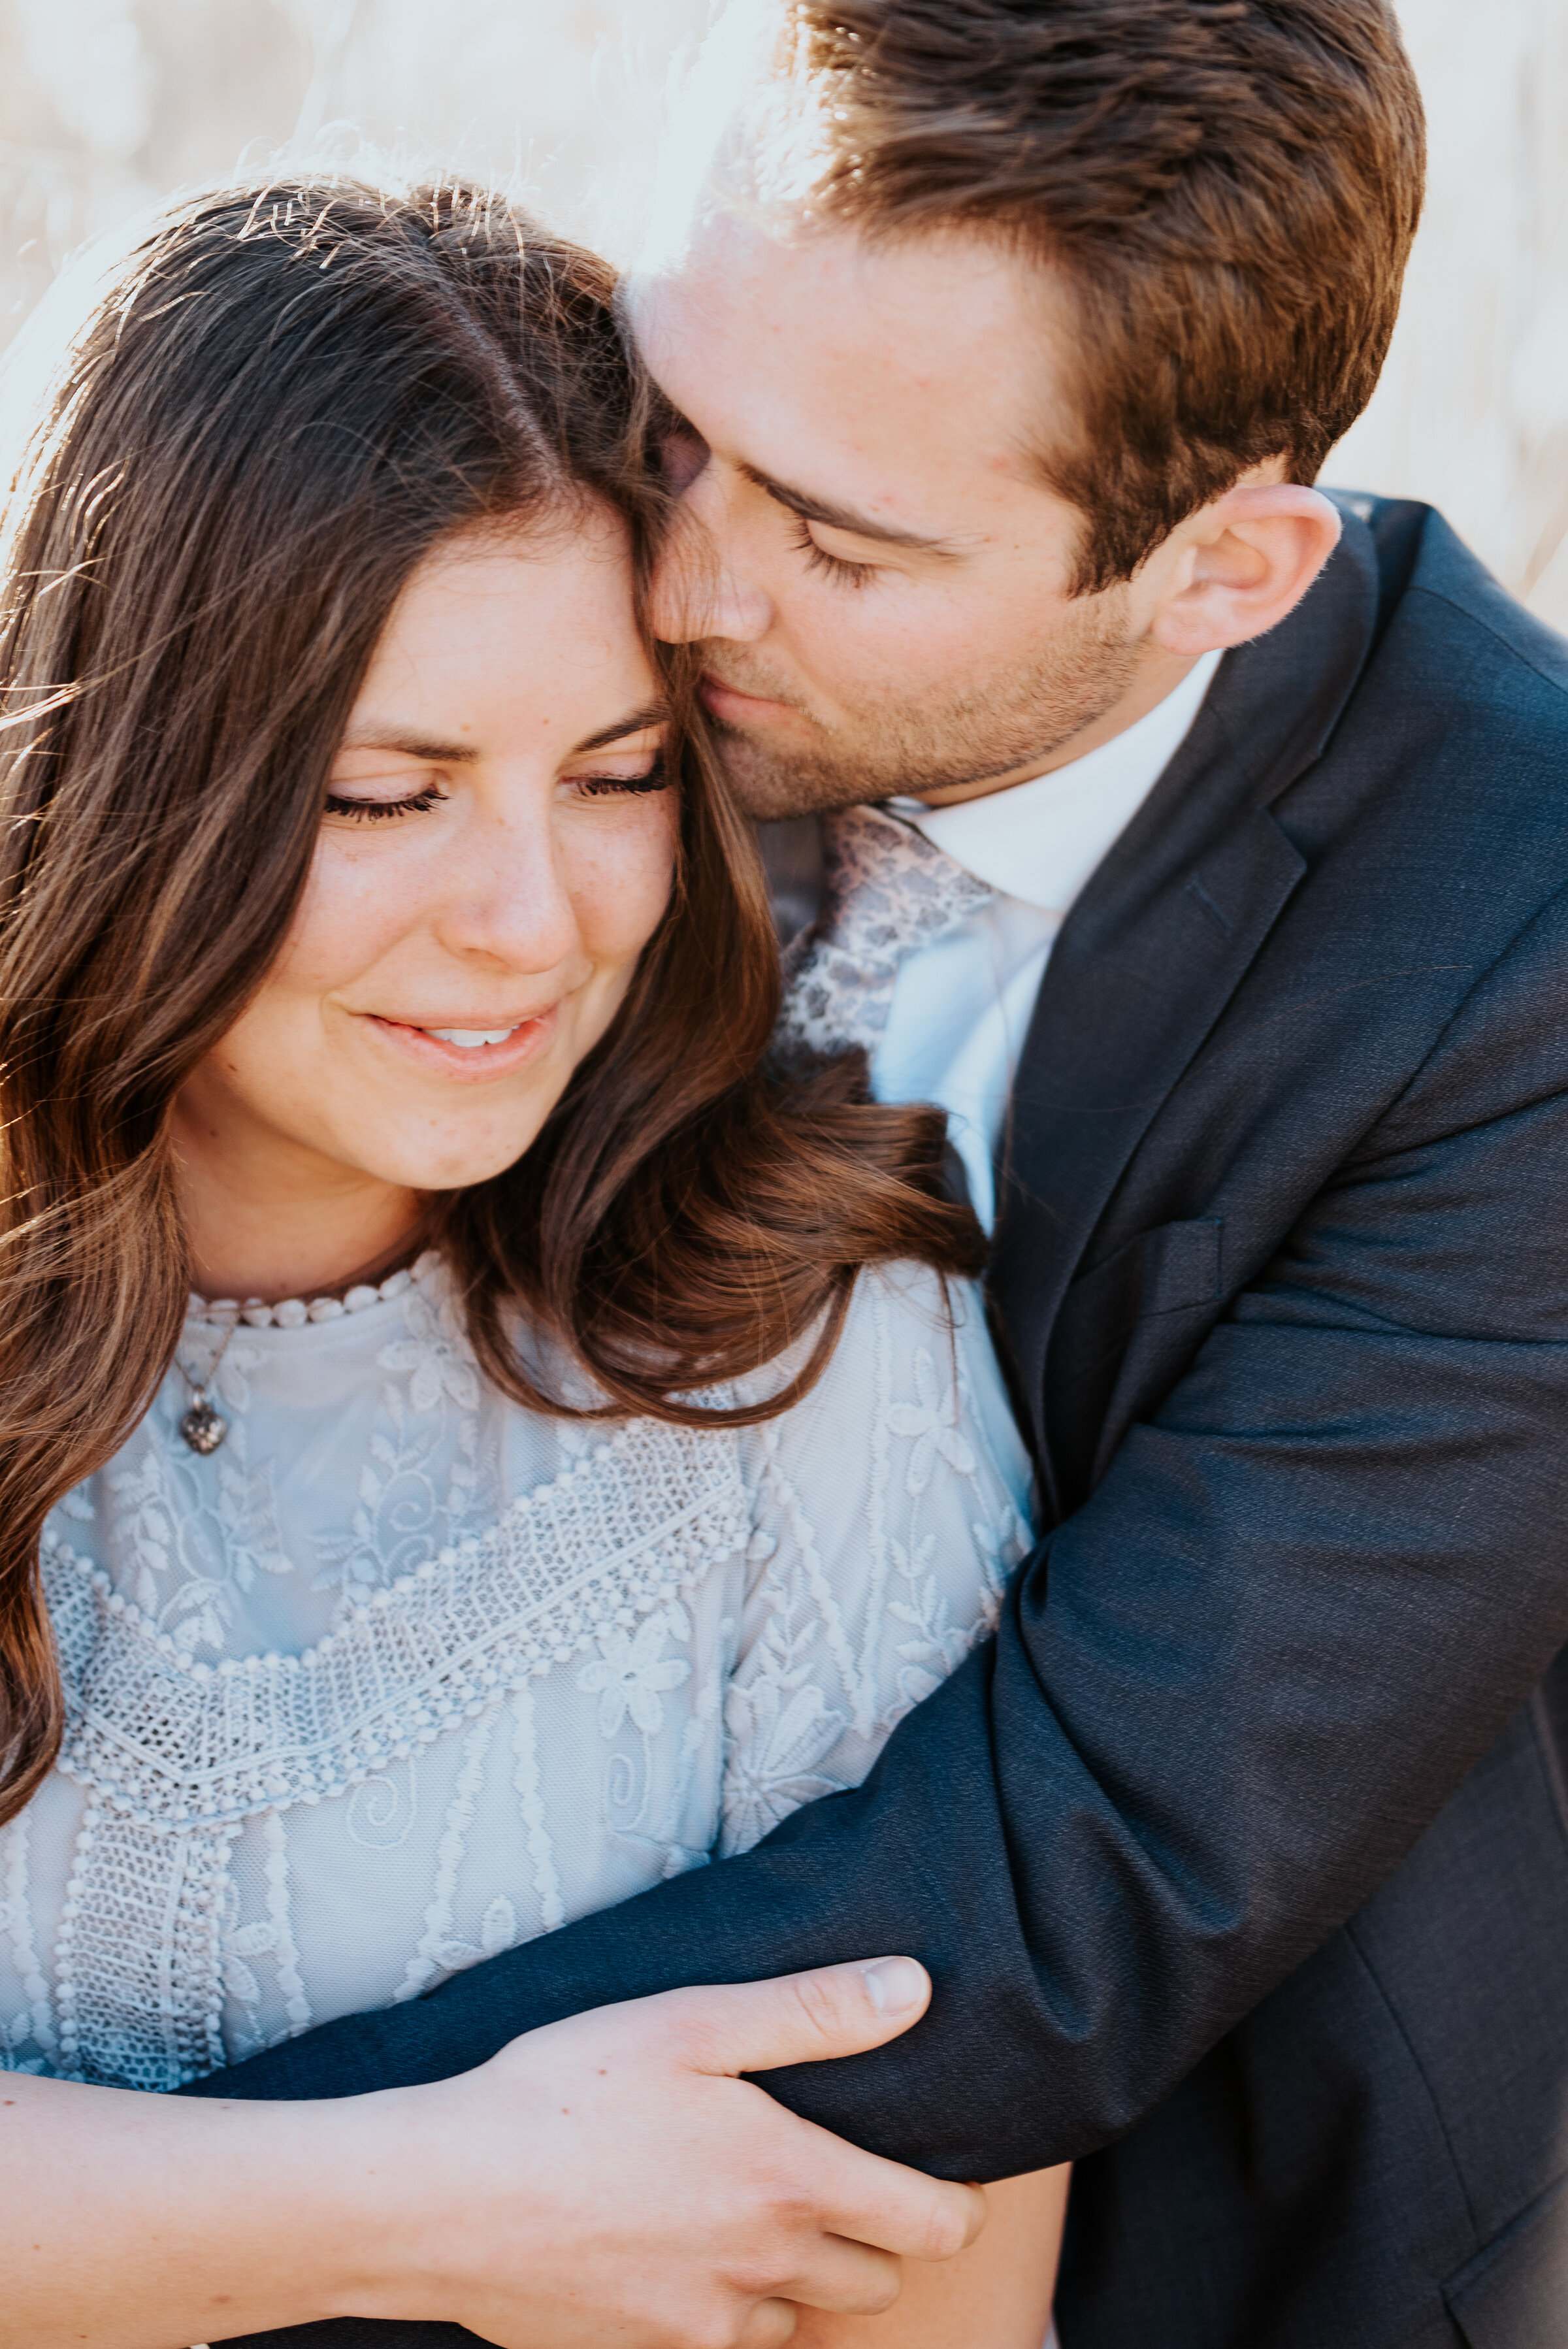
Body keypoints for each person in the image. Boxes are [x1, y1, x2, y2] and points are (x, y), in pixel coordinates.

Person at [189, 6, 1568, 2349]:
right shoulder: (581, 571)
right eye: (678, 420)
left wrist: (182, 2208)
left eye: (837, 535)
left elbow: (1080, 1882)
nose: (690, 582)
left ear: (1228, 568)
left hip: (1197, 2221)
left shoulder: (1518, 950)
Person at [0, 172, 1085, 2348]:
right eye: (390, 796)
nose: (534, 919)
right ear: (138, 781)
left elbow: (930, 2296)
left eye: (610, 775)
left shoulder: (804, 1338)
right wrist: (430, 2200)